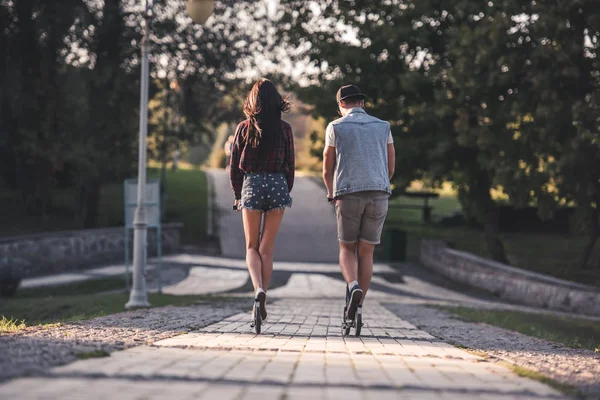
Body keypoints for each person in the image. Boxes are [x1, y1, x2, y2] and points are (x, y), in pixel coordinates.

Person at [322, 84, 395, 323]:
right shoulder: (384, 126)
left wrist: (330, 191)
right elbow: (390, 167)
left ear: (341, 104)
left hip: (348, 193)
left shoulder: (335, 127)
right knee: (367, 252)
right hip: (379, 193)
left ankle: (353, 286)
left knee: (346, 248)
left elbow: (327, 166)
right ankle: (359, 308)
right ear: (362, 103)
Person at [230, 78, 294, 325]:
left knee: (251, 247)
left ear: (253, 102)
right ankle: (262, 296)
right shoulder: (285, 129)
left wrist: (238, 195)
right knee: (267, 249)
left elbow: (236, 167)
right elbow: (290, 164)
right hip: (277, 184)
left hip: (252, 185)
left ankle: (258, 290)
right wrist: (285, 189)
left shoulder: (244, 128)